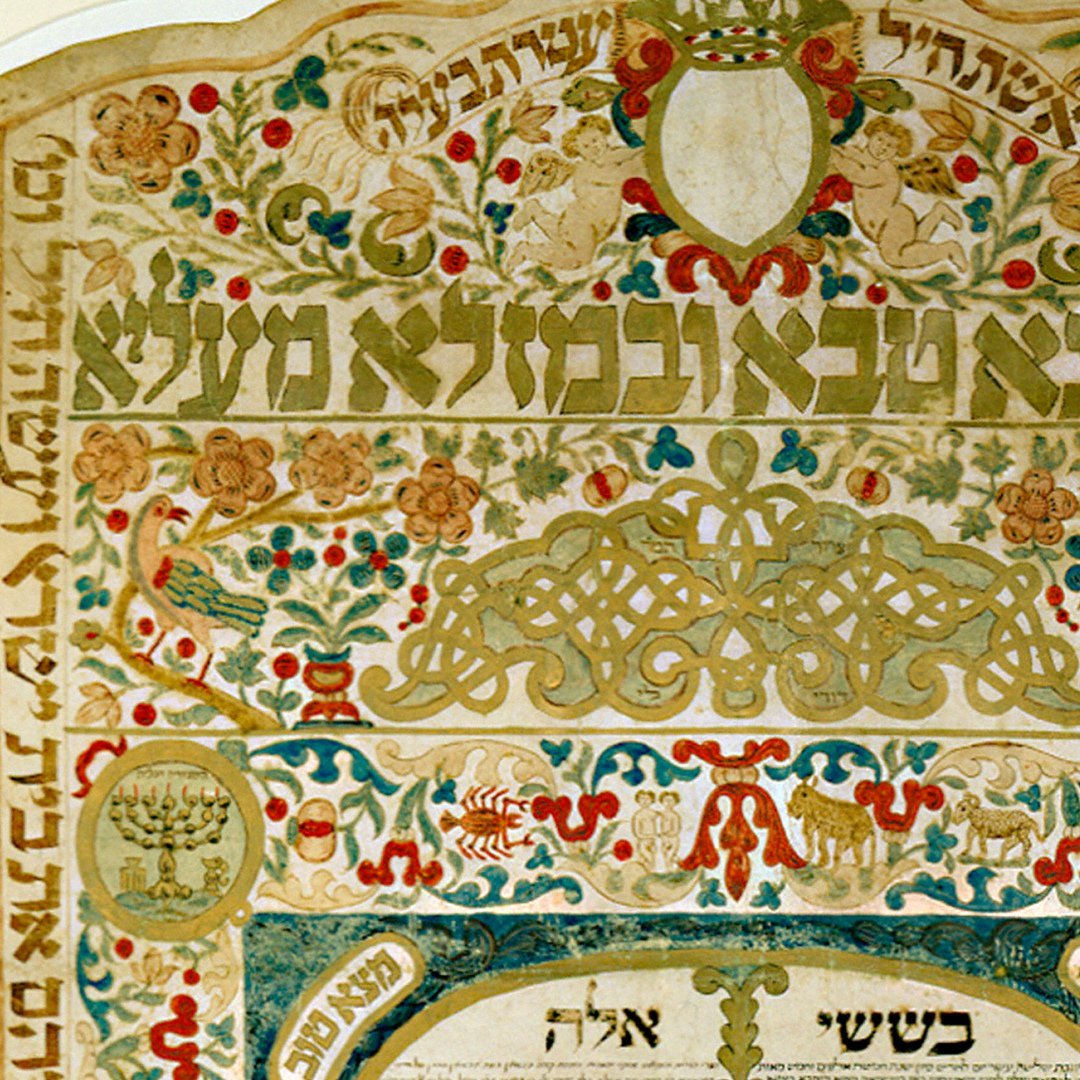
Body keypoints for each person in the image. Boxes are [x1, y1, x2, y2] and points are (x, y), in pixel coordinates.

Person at [507, 114, 643, 272]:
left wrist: (640, 151)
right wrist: (639, 152)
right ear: (578, 151)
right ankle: (527, 251)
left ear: (604, 135)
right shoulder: (592, 165)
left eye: (595, 140)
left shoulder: (608, 160)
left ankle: (535, 211)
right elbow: (622, 157)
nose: (594, 147)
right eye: (586, 146)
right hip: (584, 220)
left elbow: (624, 155)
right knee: (579, 259)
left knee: (564, 243)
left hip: (598, 224)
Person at [831, 117, 966, 271]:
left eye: (890, 146)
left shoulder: (886, 169)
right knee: (913, 245)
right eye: (880, 139)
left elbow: (858, 175)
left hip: (893, 221)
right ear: (871, 135)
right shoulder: (863, 157)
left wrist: (837, 159)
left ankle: (947, 250)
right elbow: (855, 156)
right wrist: (843, 152)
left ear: (897, 151)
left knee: (894, 256)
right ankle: (938, 213)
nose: (883, 147)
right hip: (892, 222)